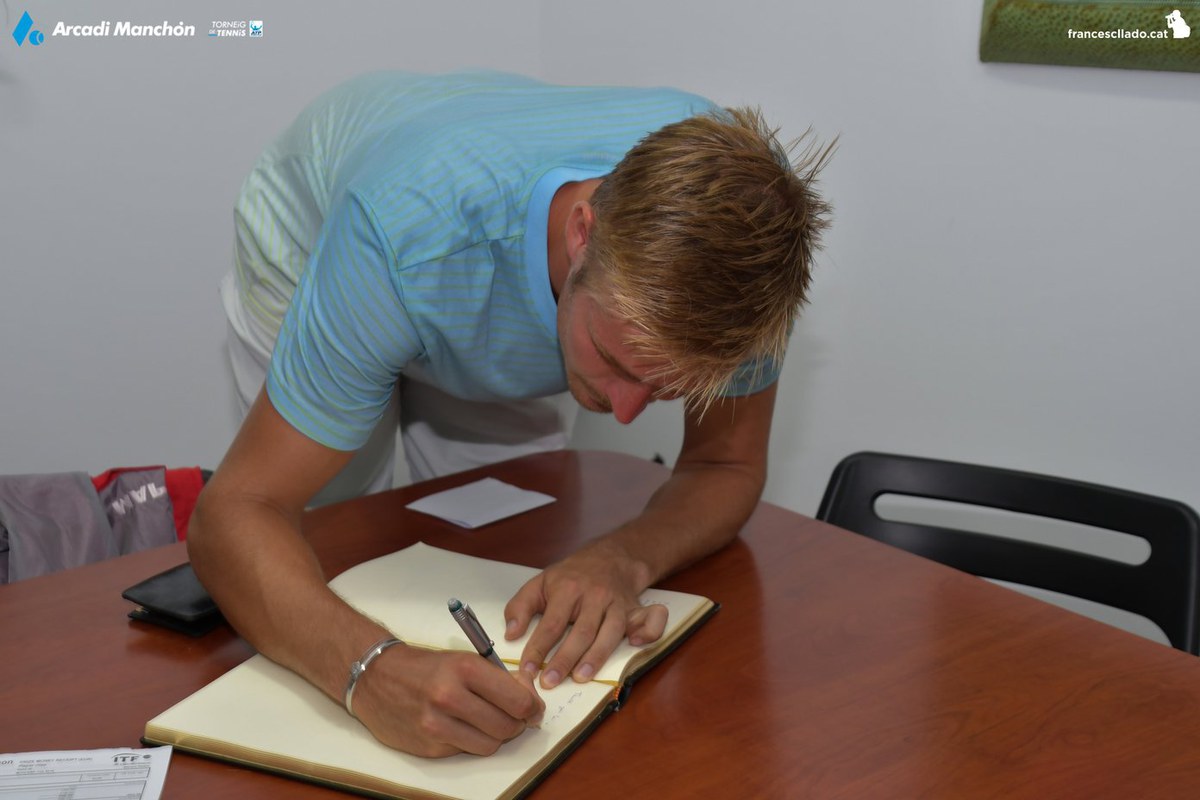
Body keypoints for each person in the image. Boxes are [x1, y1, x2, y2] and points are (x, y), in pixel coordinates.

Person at [189, 69, 833, 759]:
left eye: (667, 388)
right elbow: (236, 513)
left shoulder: (748, 252)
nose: (622, 414)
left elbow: (723, 464)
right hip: (342, 226)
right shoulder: (397, 228)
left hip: (472, 256)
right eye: (613, 361)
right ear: (583, 233)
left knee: (506, 544)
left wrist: (622, 558)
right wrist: (368, 673)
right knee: (338, 538)